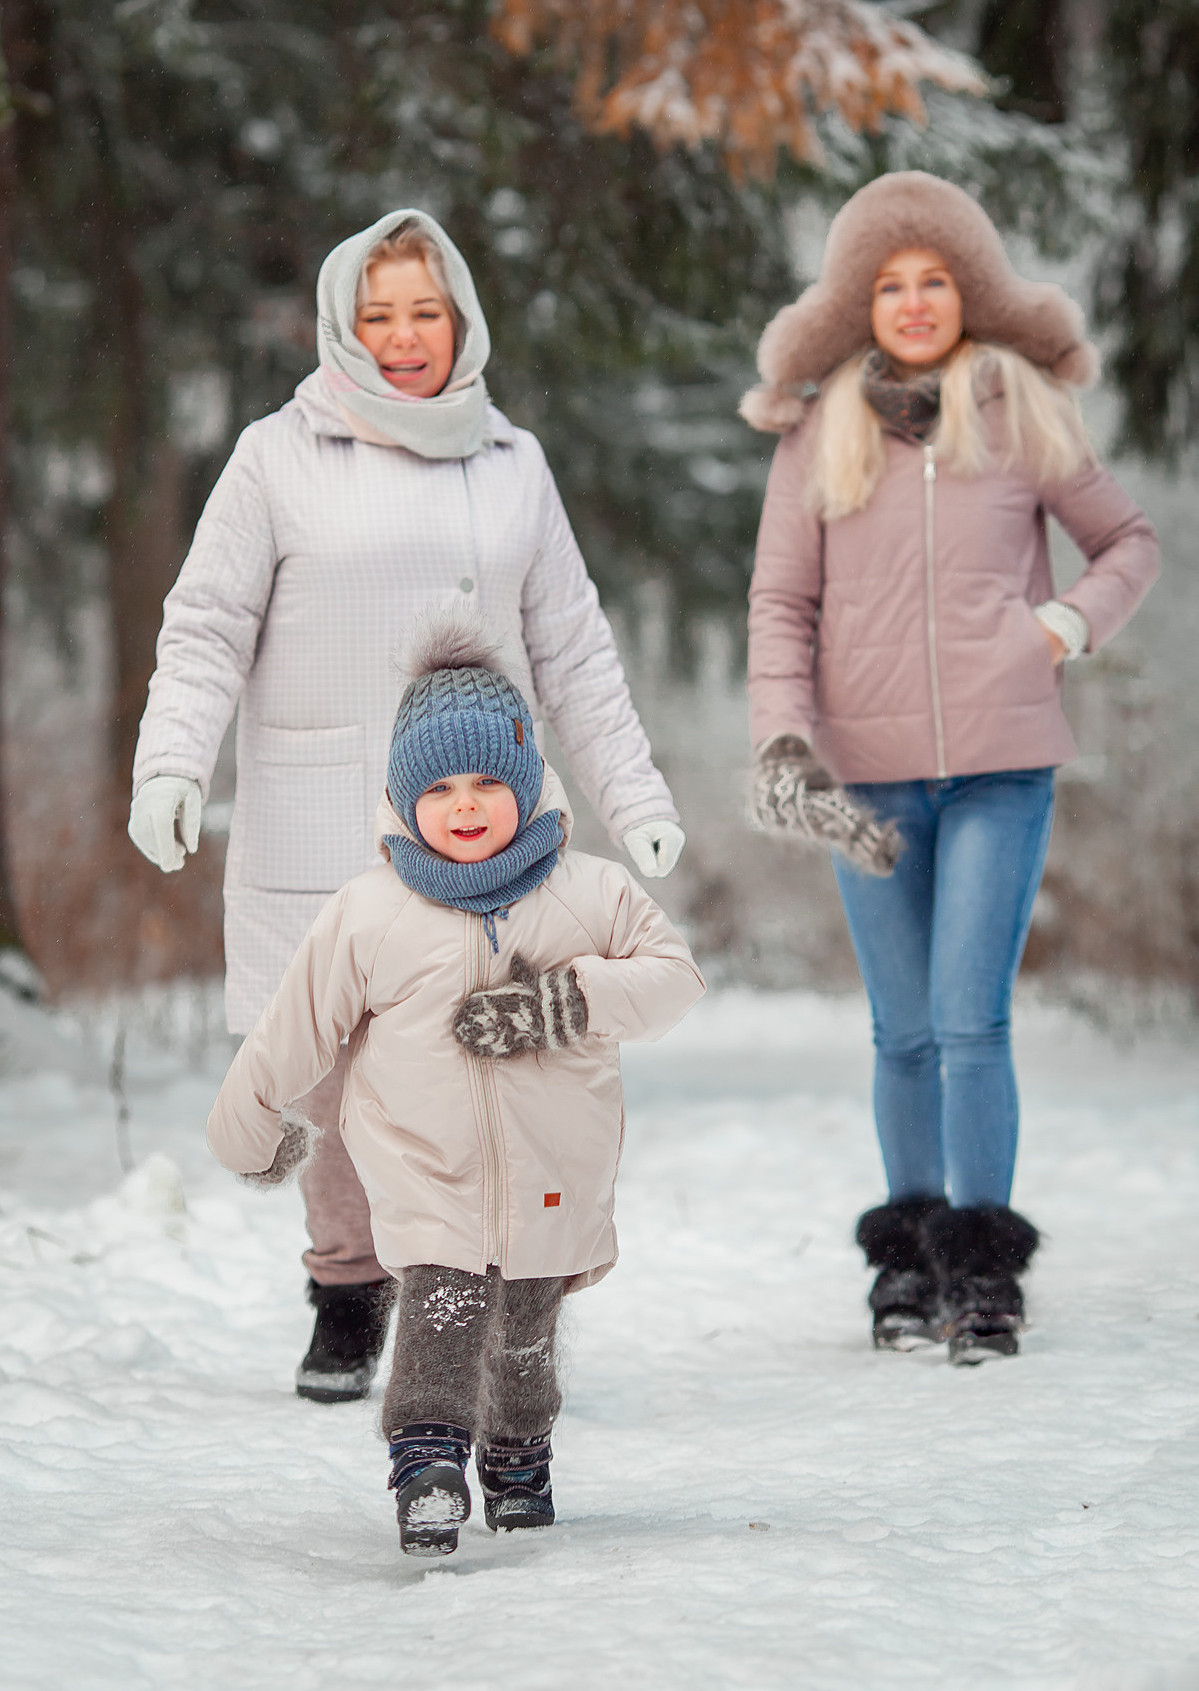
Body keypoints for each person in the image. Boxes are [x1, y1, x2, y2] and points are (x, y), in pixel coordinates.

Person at [127, 211, 686, 1401]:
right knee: (340, 1066)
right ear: (341, 324)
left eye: (422, 312)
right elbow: (208, 624)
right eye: (376, 315)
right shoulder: (279, 455)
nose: (401, 336)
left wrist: (631, 794)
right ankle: (346, 1286)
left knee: (483, 1070)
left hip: (485, 822)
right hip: (326, 813)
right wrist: (171, 764)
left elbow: (572, 647)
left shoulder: (511, 461)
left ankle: (478, 1300)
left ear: (461, 320)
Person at [740, 172, 1159, 1364]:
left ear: (964, 294)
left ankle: (980, 1271)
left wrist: (1061, 624)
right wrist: (782, 734)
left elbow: (1124, 541)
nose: (913, 303)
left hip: (999, 766)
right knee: (900, 1031)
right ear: (857, 302)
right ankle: (903, 1267)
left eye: (933, 282)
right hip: (862, 779)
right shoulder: (818, 430)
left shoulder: (1017, 409)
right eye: (888, 284)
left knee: (970, 1022)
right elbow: (779, 601)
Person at [205, 611, 705, 1553]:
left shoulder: (589, 892)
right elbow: (294, 1025)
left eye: (487, 782)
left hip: (555, 1173)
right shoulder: (369, 910)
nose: (465, 804)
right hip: (427, 1172)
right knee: (441, 1314)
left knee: (522, 1335)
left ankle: (519, 1455)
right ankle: (426, 1464)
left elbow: (674, 979)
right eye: (437, 786)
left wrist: (564, 1003)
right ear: (403, 796)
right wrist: (247, 1123)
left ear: (526, 782)